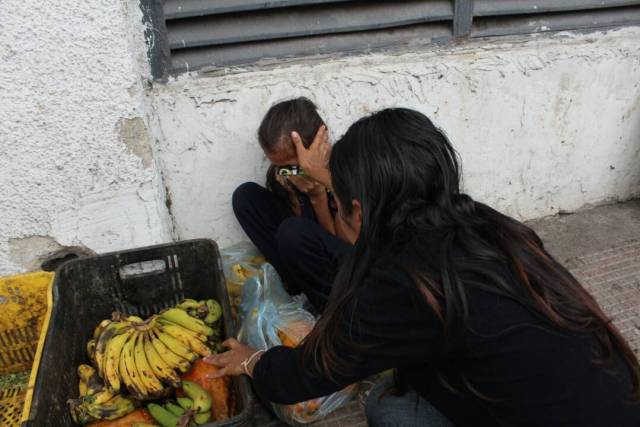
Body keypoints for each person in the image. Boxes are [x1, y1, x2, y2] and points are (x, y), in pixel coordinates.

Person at [213, 108, 640, 426]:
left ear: (358, 212)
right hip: (618, 400)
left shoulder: (400, 282)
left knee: (389, 409)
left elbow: (308, 373)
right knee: (400, 388)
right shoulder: (489, 223)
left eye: (338, 202)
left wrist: (254, 362)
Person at [232, 97, 351, 311]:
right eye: (278, 167)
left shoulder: (346, 171)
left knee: (293, 231)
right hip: (300, 245)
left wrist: (318, 197)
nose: (286, 172)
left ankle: (330, 307)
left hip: (343, 264)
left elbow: (339, 243)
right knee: (245, 196)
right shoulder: (286, 174)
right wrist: (296, 196)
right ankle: (296, 284)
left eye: (292, 166)